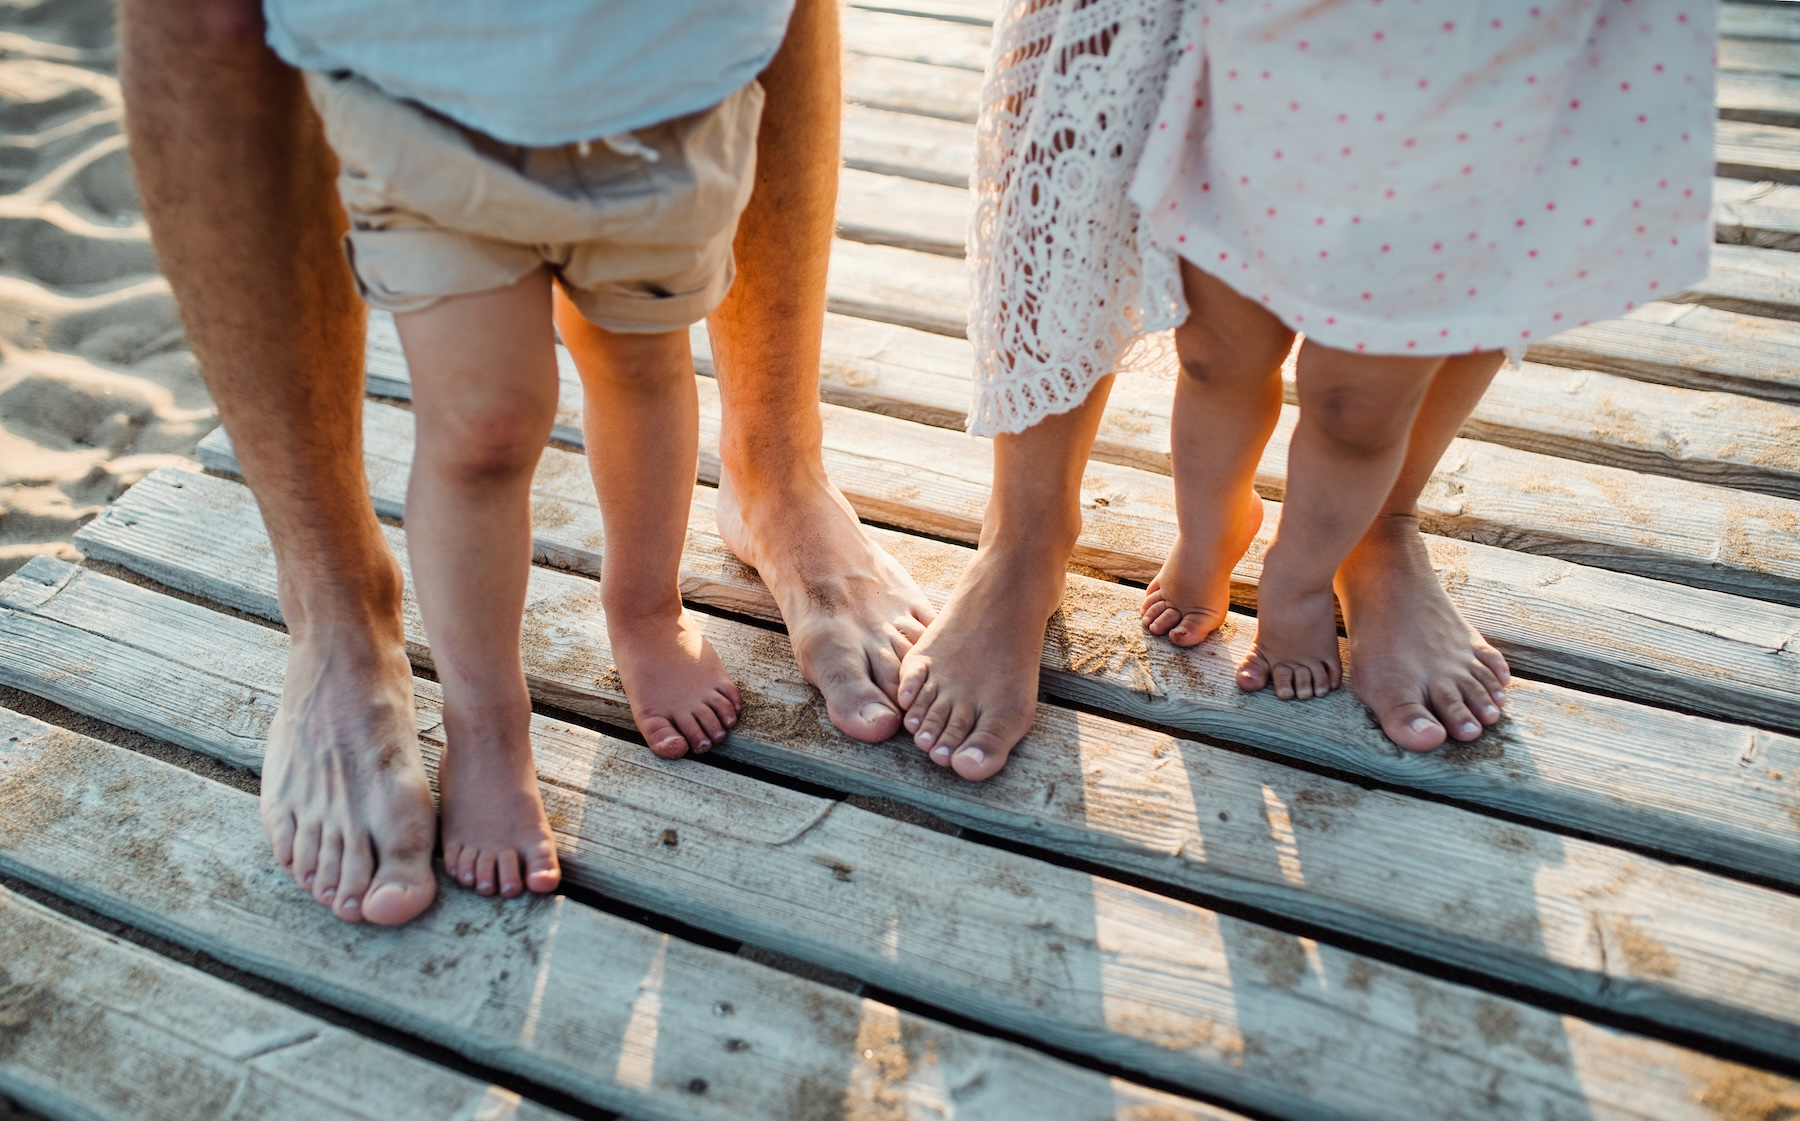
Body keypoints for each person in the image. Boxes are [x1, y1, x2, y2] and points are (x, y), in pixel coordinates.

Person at [119, 0, 933, 925]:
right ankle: (487, 725)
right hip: (422, 94)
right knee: (481, 426)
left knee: (641, 366)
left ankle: (645, 614)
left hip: (662, 75)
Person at [896, 0, 1714, 779]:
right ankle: (1208, 533)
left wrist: (1292, 591)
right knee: (1216, 353)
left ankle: (1317, 565)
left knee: (1361, 404)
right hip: (1268, 73)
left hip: (1464, 94)